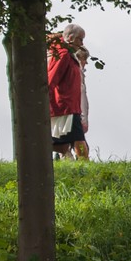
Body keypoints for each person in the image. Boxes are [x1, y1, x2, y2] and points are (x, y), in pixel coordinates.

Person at [48, 23, 86, 160]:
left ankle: (39, 145)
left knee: (63, 146)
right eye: (80, 39)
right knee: (79, 139)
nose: (82, 43)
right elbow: (52, 78)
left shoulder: (68, 55)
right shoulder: (63, 55)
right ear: (70, 38)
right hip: (65, 105)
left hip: (71, 106)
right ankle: (86, 165)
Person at [72, 42, 92, 160]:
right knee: (78, 139)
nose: (86, 63)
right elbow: (81, 98)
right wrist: (83, 118)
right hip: (77, 113)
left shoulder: (78, 75)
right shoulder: (77, 75)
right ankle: (82, 161)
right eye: (85, 59)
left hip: (76, 112)